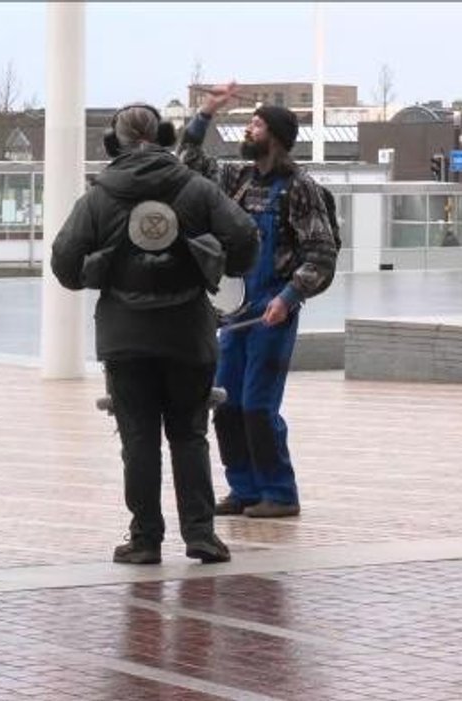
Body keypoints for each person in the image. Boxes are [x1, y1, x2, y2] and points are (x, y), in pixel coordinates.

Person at [51, 103, 259, 565]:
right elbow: (244, 237)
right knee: (189, 434)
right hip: (189, 331)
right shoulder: (197, 189)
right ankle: (201, 534)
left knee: (138, 439)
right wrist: (218, 264)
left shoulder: (98, 198)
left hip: (125, 337)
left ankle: (145, 539)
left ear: (114, 142)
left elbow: (65, 264)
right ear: (165, 136)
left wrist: (101, 269)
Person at [180, 83, 338, 518]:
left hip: (273, 311)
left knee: (257, 406)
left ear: (276, 137)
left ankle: (280, 493)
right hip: (236, 314)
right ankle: (244, 489)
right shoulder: (236, 177)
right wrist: (205, 114)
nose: (248, 131)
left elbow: (322, 254)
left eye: (255, 125)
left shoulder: (300, 188)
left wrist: (288, 297)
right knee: (226, 405)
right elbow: (189, 163)